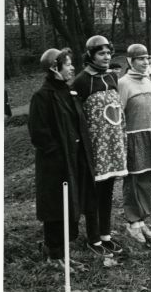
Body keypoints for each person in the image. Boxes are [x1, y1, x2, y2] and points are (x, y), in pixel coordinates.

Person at [28, 48, 96, 266]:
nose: (72, 68)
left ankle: (64, 253)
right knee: (56, 209)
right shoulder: (42, 97)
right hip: (55, 167)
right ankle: (54, 255)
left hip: (74, 163)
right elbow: (39, 134)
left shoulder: (69, 93)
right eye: (67, 64)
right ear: (54, 68)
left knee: (70, 207)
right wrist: (58, 155)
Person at [71, 35, 127, 257]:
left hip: (113, 147)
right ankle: (93, 239)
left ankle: (105, 236)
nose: (106, 57)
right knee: (93, 195)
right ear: (90, 55)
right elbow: (76, 117)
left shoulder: (112, 77)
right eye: (101, 53)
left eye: (108, 53)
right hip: (93, 149)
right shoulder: (81, 81)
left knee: (107, 192)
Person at [118, 44, 151, 243]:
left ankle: (142, 219)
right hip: (133, 137)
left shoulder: (147, 80)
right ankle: (132, 222)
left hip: (150, 134)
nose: (145, 62)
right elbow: (119, 114)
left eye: (147, 58)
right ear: (130, 61)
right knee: (133, 181)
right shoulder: (123, 83)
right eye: (140, 59)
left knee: (147, 179)